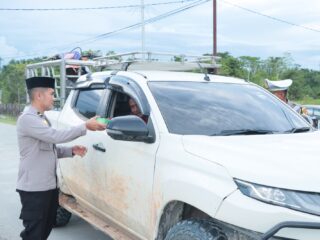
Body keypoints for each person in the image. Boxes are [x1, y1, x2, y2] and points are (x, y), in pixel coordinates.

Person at [16, 76, 106, 240]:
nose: (54, 97)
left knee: (45, 228)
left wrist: (71, 151)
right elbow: (55, 136)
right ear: (39, 96)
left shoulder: (41, 118)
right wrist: (85, 126)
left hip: (47, 186)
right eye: (51, 93)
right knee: (34, 233)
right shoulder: (28, 119)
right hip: (34, 189)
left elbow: (47, 149)